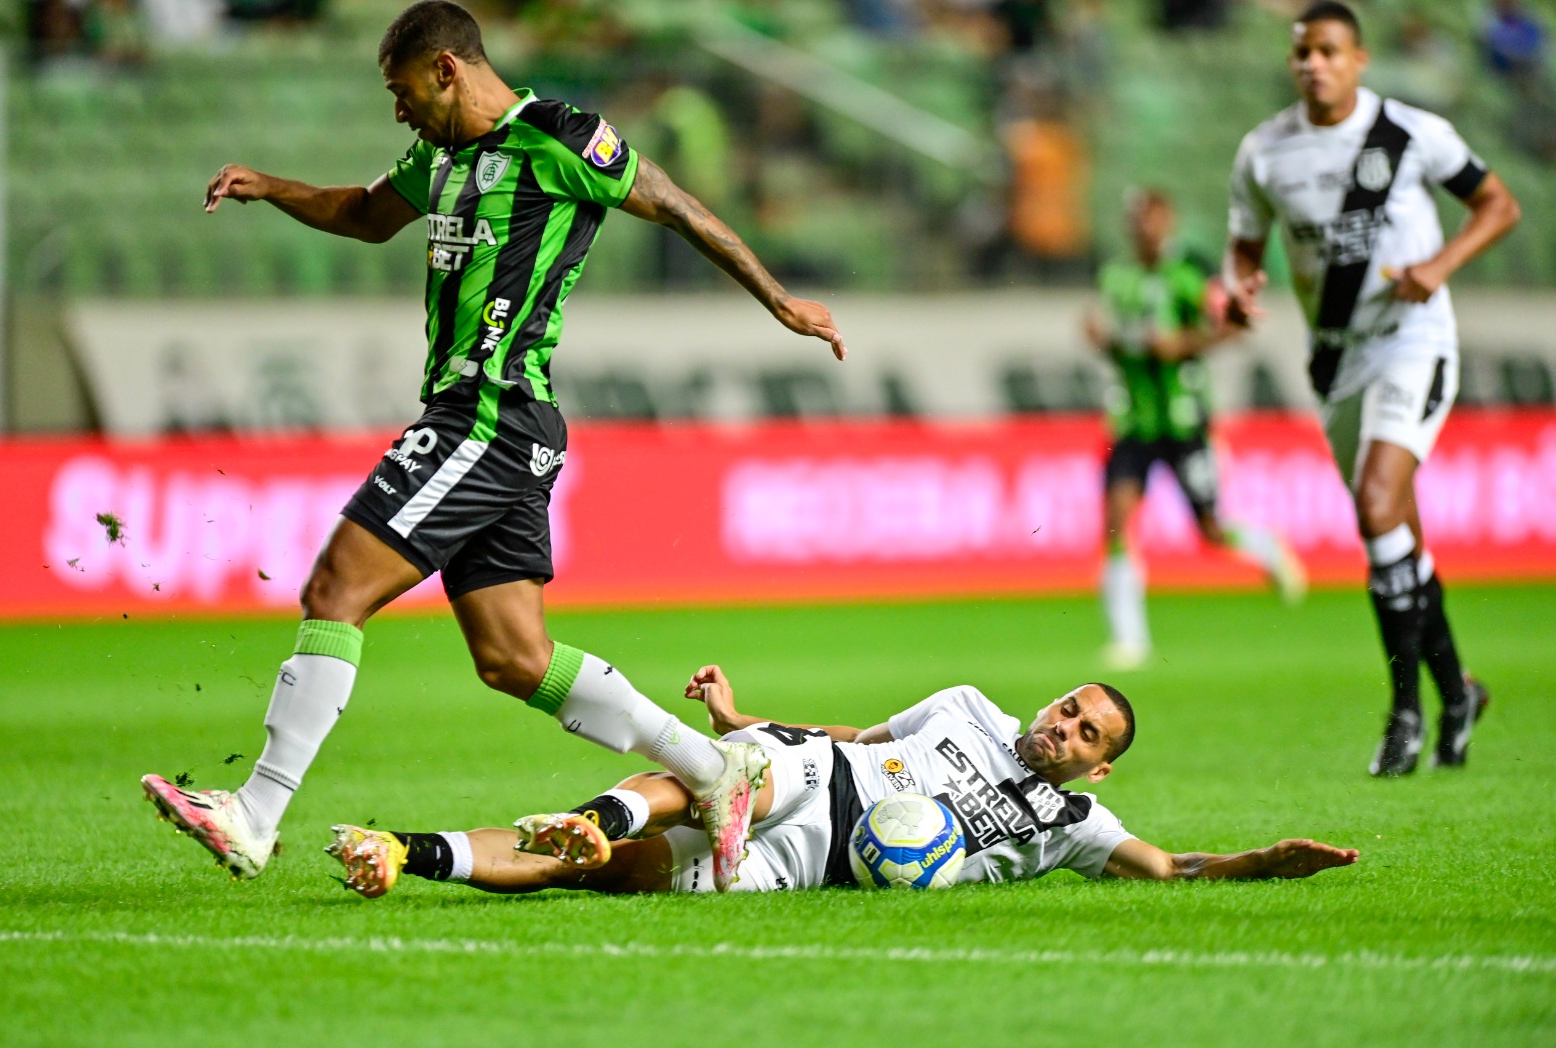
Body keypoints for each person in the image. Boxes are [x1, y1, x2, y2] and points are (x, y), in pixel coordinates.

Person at [140, 0, 847, 893]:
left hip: (487, 413)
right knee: (515, 659)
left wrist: (780, 300)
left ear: (446, 70)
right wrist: (270, 186)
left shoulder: (561, 137)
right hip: (505, 425)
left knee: (336, 590)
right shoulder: (439, 156)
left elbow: (673, 205)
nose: (397, 109)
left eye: (402, 90)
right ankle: (714, 772)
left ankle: (255, 813)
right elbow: (364, 213)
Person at [326, 664, 1359, 898]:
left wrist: (1265, 860)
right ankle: (592, 814)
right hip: (825, 778)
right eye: (1065, 706)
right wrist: (739, 719)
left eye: (1085, 730)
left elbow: (1172, 868)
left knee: (608, 875)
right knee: (719, 773)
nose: (1062, 725)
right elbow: (853, 733)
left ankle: (402, 851)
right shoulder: (966, 705)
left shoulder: (1074, 821)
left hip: (811, 866)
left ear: (1101, 761)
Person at [1223, 2, 1515, 776]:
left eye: (1328, 50)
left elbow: (1499, 204)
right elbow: (1244, 246)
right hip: (1335, 360)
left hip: (1412, 341)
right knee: (1397, 539)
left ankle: (1405, 714)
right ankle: (1459, 694)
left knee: (1377, 504)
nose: (1313, 64)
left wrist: (1439, 267)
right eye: (1302, 52)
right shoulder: (1265, 150)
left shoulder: (1410, 134)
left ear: (1359, 59)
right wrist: (1237, 289)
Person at [1087, 188, 1305, 670]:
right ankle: (1129, 641)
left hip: (1185, 420)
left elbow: (1231, 326)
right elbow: (1114, 332)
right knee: (1117, 522)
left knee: (1210, 530)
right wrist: (1101, 339)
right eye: (1136, 220)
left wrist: (1182, 343)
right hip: (1132, 420)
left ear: (1168, 221)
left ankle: (1267, 548)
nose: (1143, 228)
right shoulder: (1116, 276)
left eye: (1151, 218)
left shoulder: (1191, 270)